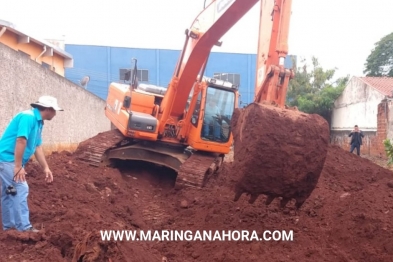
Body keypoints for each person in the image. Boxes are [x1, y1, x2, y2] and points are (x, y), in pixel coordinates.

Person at [0, 95, 63, 232]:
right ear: (48, 109)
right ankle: (24, 227)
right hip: (7, 159)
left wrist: (46, 167)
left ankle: (9, 227)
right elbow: (21, 140)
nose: (55, 114)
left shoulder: (39, 122)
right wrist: (18, 166)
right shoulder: (28, 117)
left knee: (9, 191)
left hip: (8, 160)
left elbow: (37, 147)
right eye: (54, 110)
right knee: (21, 188)